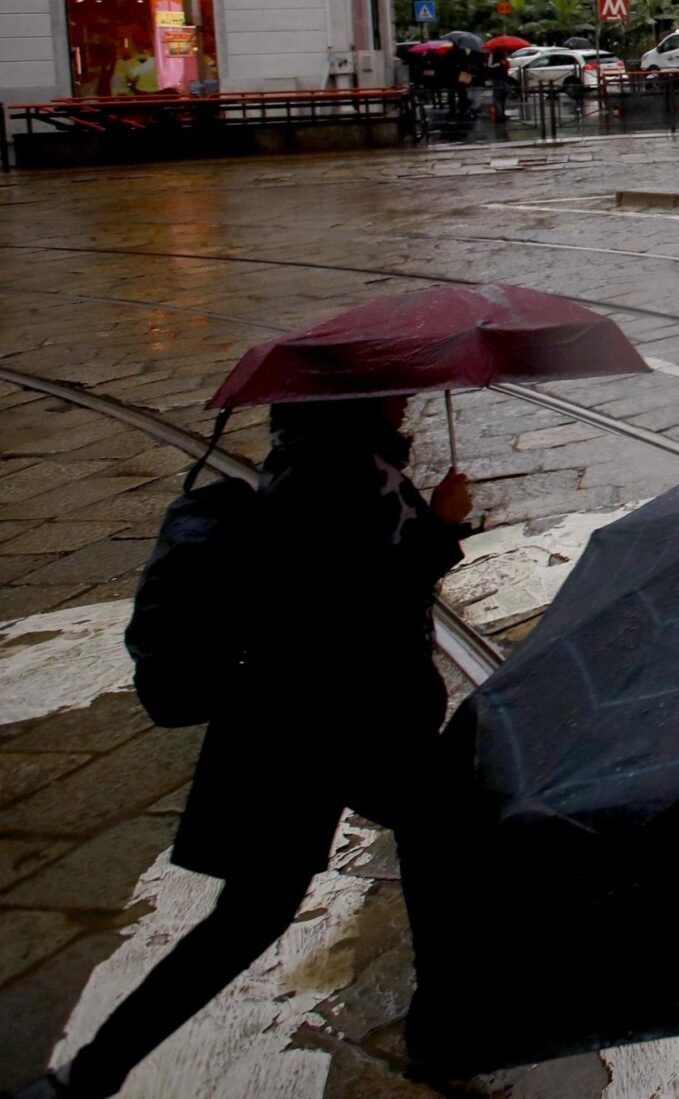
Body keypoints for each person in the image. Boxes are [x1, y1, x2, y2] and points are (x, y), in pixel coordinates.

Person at [22, 399, 469, 1099]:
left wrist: (429, 527)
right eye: (394, 381)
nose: (409, 392)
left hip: (340, 722)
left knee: (431, 834)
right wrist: (438, 530)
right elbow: (345, 610)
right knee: (257, 915)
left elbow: (368, 589)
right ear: (358, 395)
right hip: (308, 729)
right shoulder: (325, 473)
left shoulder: (357, 462)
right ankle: (85, 1075)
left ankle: (445, 1021)